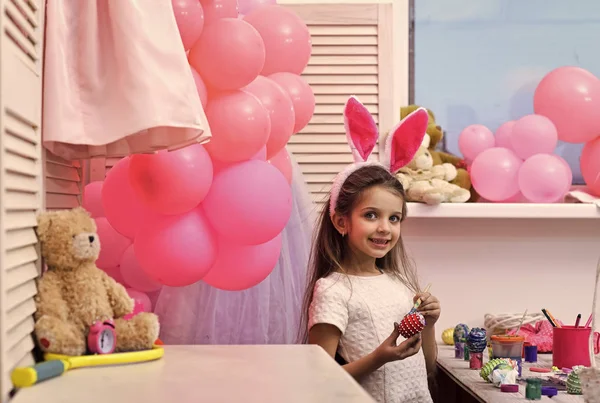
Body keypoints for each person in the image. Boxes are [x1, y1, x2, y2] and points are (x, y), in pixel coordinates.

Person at [299, 96, 441, 403]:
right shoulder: (333, 290)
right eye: (370, 215)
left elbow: (426, 367)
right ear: (340, 222)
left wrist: (429, 324)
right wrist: (379, 357)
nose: (384, 228)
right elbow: (318, 378)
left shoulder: (399, 283)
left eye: (394, 218)